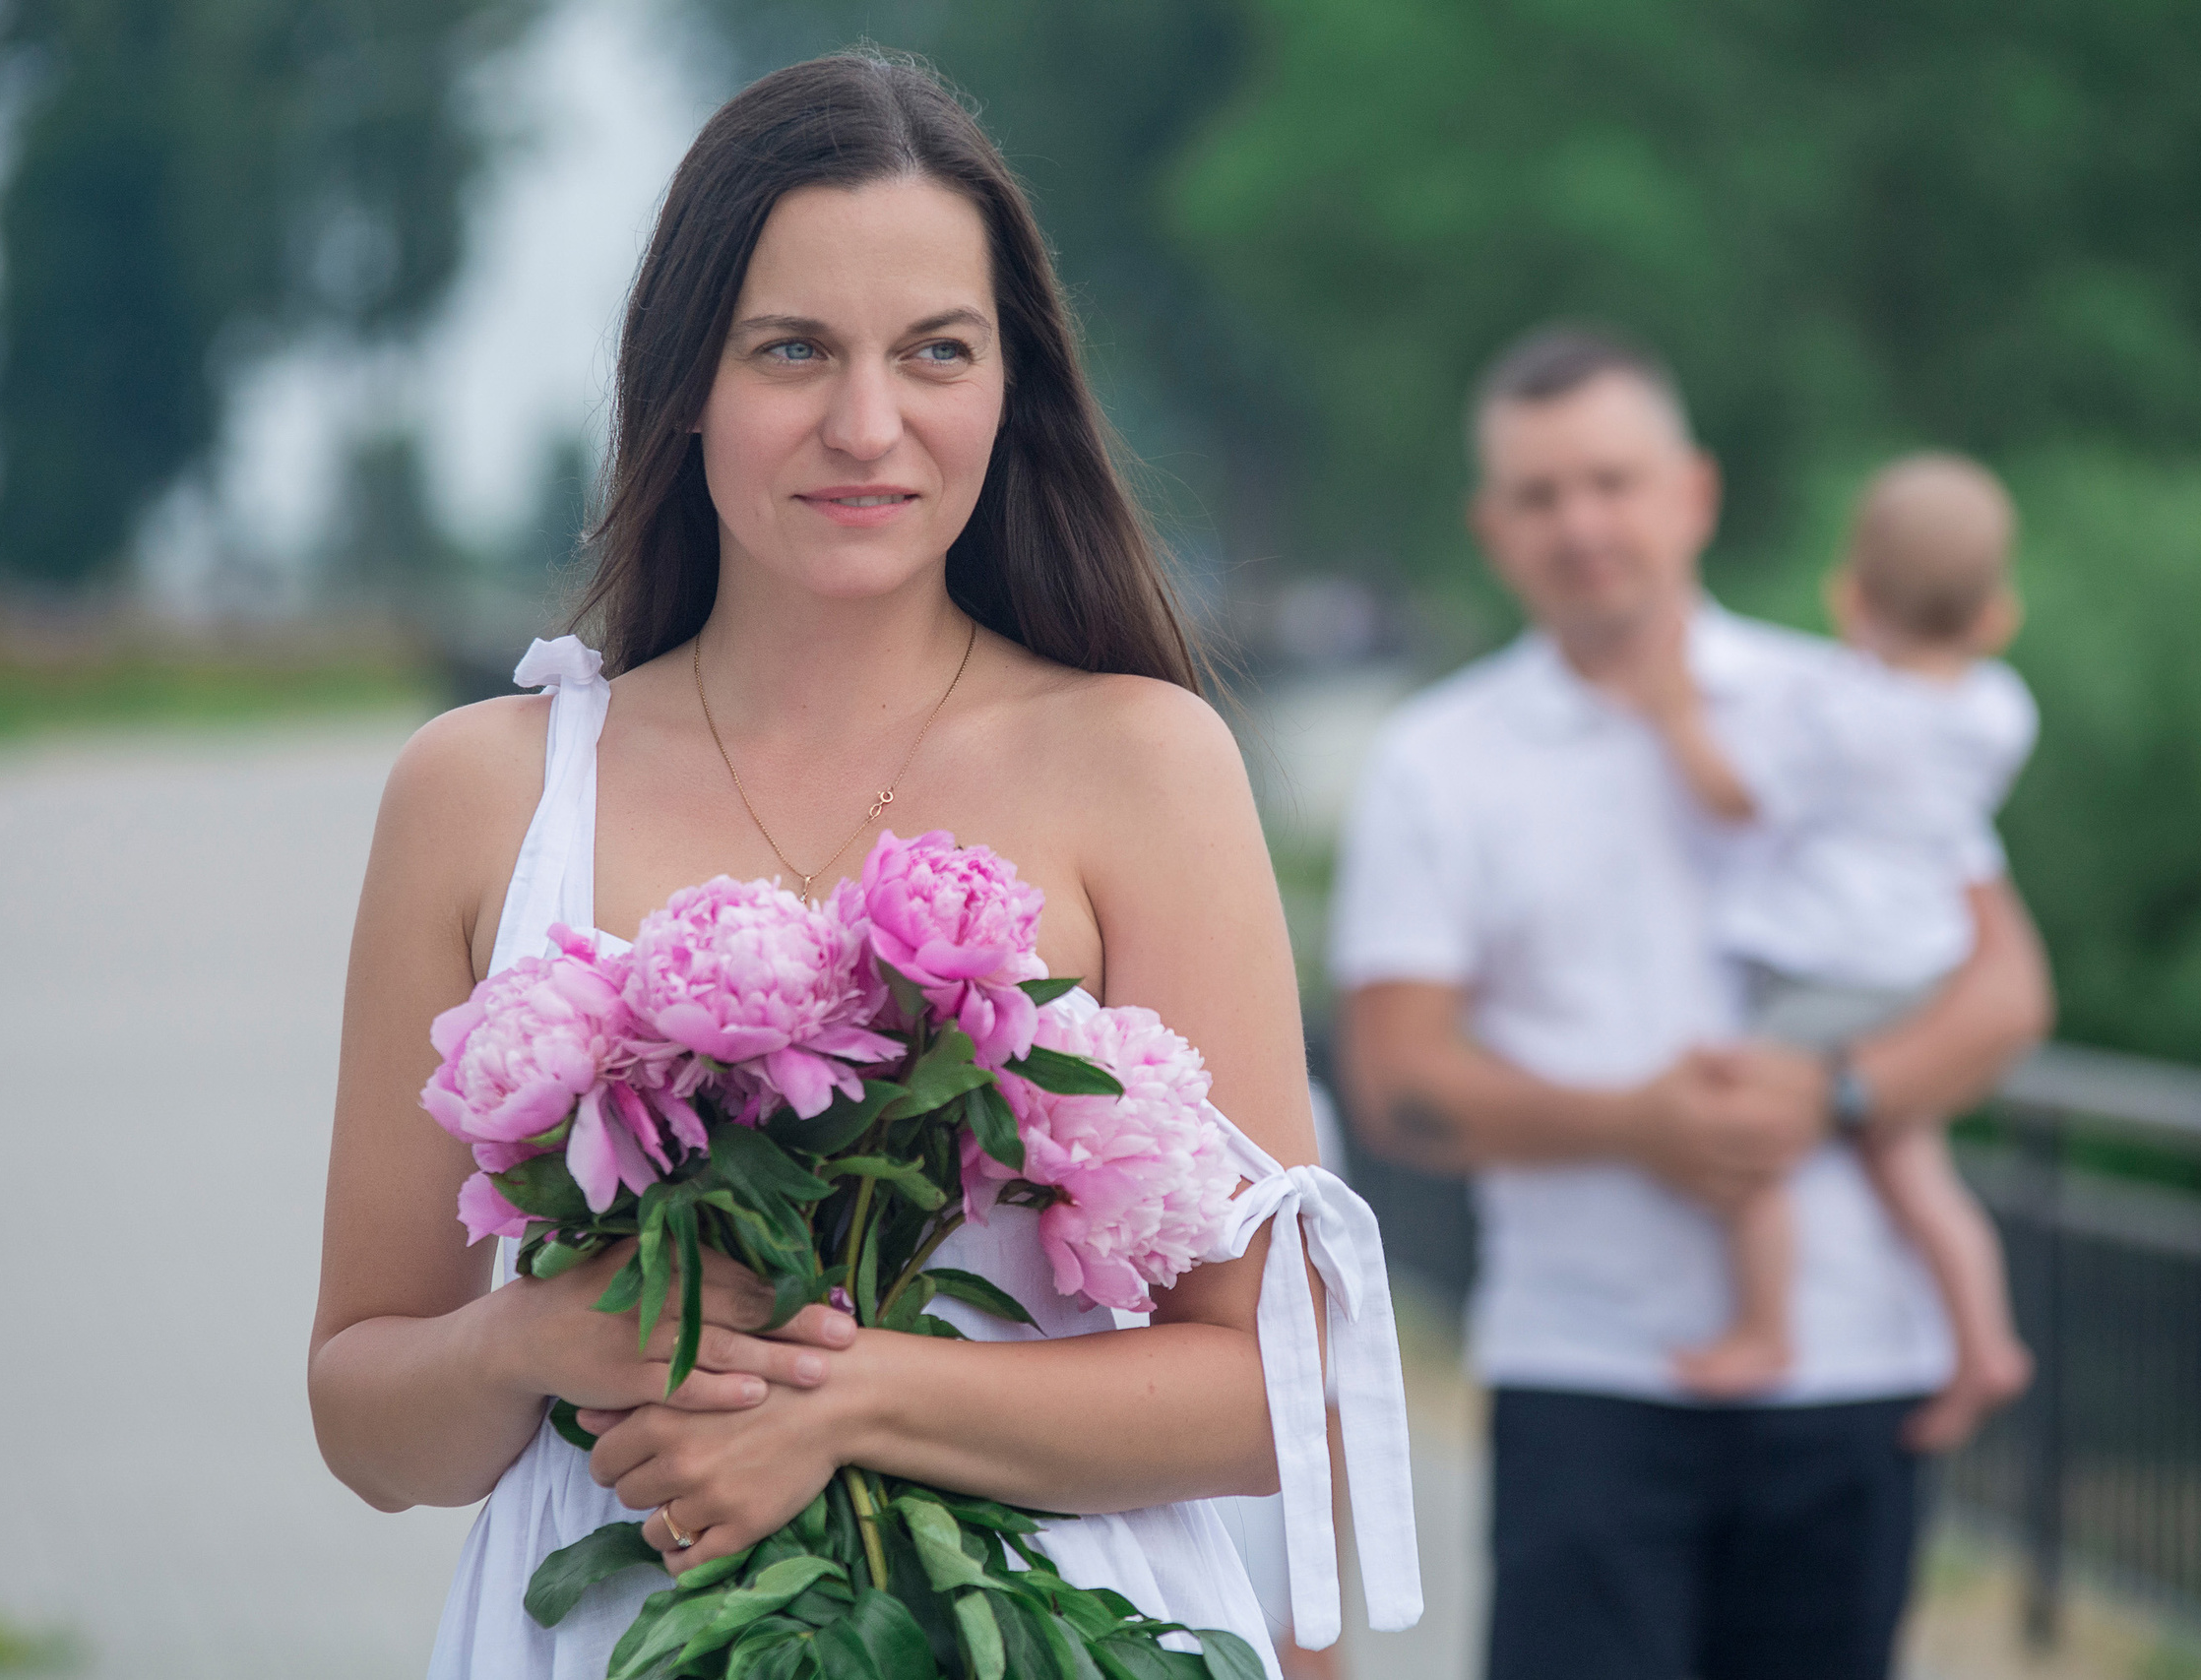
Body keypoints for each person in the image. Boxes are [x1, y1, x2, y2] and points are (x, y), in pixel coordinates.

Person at [307, 54, 1417, 1677]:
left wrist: (850, 1407)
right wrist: (528, 1337)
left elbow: (1277, 1383)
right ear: (686, 380)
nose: (867, 424)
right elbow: (363, 1417)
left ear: (1009, 388)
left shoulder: (1143, 761)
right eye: (794, 352)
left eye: (935, 354)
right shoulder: (480, 792)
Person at [1331, 325, 2053, 1680]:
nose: (1583, 523)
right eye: (1542, 495)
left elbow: (2008, 990)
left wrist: (1835, 1091)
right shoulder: (1436, 760)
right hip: (1584, 1369)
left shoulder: (1848, 700)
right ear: (1494, 528)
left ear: (1694, 493)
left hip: (1852, 1368)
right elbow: (1398, 1077)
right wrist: (1638, 1124)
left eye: (1613, 479)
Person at [1635, 452, 2038, 1450]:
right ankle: (1983, 1341)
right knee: (1912, 1165)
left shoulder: (1841, 712)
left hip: (1832, 968)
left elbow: (1734, 797)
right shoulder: (1998, 713)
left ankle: (1764, 1331)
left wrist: (1677, 715)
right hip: (1924, 967)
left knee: (1753, 1132)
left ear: (1848, 594)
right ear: (1996, 616)